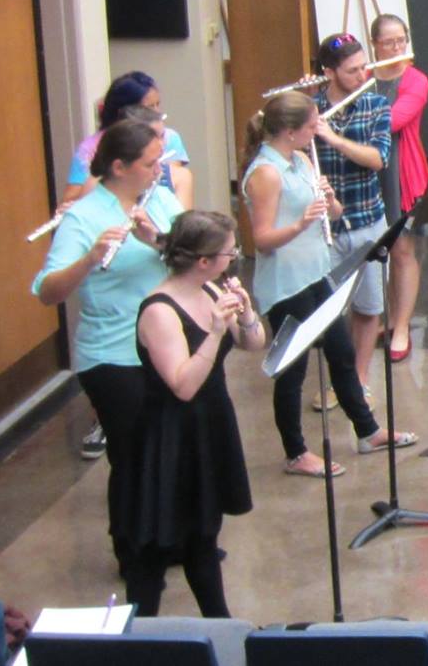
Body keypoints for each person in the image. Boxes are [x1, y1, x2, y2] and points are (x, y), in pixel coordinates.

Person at [32, 119, 181, 589]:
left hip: (164, 343)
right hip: (112, 355)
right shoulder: (83, 216)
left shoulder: (157, 200)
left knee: (169, 448)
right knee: (132, 454)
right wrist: (90, 258)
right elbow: (47, 292)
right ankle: (132, 550)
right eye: (150, 163)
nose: (160, 170)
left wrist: (155, 239)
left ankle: (169, 538)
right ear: (119, 167)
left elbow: (193, 255)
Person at [241, 91, 407, 476]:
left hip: (315, 273)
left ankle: (367, 431)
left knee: (342, 352)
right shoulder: (265, 173)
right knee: (293, 371)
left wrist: (330, 204)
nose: (318, 130)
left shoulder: (298, 159)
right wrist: (301, 222)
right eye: (312, 125)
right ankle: (296, 453)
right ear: (288, 130)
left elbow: (329, 213)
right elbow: (262, 239)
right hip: (285, 284)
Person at [121, 211, 262, 616]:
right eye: (229, 252)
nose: (233, 258)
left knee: (204, 534)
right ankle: (136, 637)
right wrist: (215, 334)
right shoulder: (160, 311)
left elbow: (253, 344)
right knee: (156, 544)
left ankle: (220, 626)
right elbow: (183, 385)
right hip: (169, 436)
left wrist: (246, 314)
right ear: (203, 261)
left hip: (210, 426)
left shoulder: (211, 292)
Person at [311, 33, 397, 393]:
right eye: (352, 70)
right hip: (321, 229)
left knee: (368, 307)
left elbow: (378, 159)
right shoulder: (310, 110)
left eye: (364, 67)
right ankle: (336, 382)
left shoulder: (376, 105)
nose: (363, 75)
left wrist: (333, 138)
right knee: (327, 314)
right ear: (328, 73)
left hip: (367, 222)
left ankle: (359, 380)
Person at [369, 13, 428, 363]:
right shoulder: (363, 78)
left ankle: (401, 325)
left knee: (402, 251)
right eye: (388, 42)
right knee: (374, 252)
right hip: (365, 171)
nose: (396, 48)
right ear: (375, 44)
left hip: (400, 172)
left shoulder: (416, 80)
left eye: (400, 41)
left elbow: (394, 120)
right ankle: (383, 319)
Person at [62, 71, 193, 208]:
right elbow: (71, 198)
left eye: (157, 104)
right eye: (149, 107)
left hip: (155, 206)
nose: (157, 113)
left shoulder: (170, 138)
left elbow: (171, 181)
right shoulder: (89, 149)